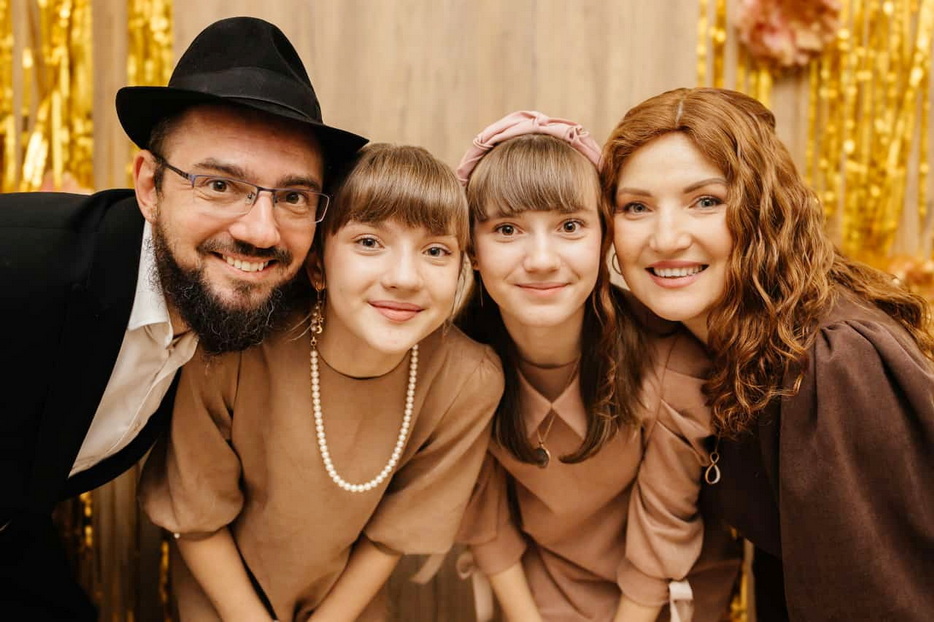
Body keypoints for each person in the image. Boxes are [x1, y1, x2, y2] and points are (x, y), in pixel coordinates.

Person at [0, 16, 367, 620]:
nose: (261, 231)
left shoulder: (244, 301)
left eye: (293, 197)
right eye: (220, 185)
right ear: (149, 186)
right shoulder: (23, 273)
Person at [602, 86, 934, 621]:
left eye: (705, 201)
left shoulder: (833, 361)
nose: (665, 238)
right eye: (636, 207)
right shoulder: (728, 343)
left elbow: (872, 602)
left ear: (763, 211)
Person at [138, 143, 504, 621]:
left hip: (347, 604)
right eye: (369, 242)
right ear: (317, 265)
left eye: (436, 251)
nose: (404, 278)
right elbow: (197, 516)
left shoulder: (467, 380)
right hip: (222, 598)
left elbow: (390, 536)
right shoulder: (236, 345)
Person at [453, 111, 741, 622]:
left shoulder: (670, 363)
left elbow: (662, 536)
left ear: (605, 238)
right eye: (507, 229)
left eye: (569, 226)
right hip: (540, 589)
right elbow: (487, 524)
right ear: (471, 249)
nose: (542, 260)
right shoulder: (457, 365)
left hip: (667, 601)